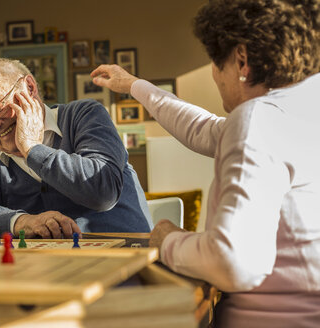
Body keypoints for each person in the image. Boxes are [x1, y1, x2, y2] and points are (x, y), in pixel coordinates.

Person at [91, 0, 320, 326]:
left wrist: (168, 240)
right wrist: (134, 85)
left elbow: (231, 261)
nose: (214, 73)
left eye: (215, 61)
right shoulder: (303, 107)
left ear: (241, 59)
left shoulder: (257, 120)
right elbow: (203, 129)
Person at [0, 58, 152, 240]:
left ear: (29, 88)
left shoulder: (85, 115)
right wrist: (21, 222)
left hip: (129, 260)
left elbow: (103, 193)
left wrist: (33, 149)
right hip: (56, 270)